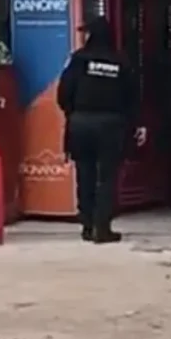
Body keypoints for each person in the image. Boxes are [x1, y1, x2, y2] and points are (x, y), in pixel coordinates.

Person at [57, 17, 145, 244]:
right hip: (111, 125)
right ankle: (102, 228)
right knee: (107, 178)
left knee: (84, 174)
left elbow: (64, 93)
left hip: (81, 123)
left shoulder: (79, 60)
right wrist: (133, 123)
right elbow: (132, 97)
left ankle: (87, 225)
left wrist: (74, 113)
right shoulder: (121, 62)